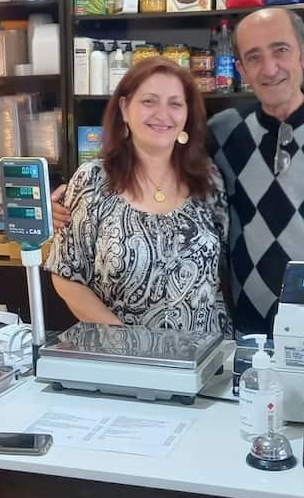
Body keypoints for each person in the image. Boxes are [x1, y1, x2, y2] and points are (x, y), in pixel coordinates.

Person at [53, 9, 304, 336]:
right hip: (245, 332)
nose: (269, 68)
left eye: (281, 50)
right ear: (241, 69)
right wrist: (64, 201)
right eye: (253, 57)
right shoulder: (224, 132)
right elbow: (155, 162)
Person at [46, 56, 231, 336]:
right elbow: (67, 276)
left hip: (205, 363)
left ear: (187, 115)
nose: (162, 114)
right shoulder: (93, 180)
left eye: (175, 103)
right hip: (123, 364)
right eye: (149, 101)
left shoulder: (209, 179)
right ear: (124, 108)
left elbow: (225, 264)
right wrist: (126, 342)